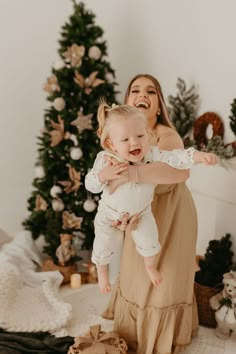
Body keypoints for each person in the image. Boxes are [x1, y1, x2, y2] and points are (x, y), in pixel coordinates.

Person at [102, 74, 214, 354]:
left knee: (162, 280)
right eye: (136, 90)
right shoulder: (123, 132)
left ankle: (161, 338)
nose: (143, 94)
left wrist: (130, 173)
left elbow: (179, 171)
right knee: (136, 275)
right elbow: (111, 182)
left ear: (158, 104)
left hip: (172, 213)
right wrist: (119, 214)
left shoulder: (166, 135)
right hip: (141, 210)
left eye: (151, 91)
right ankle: (132, 331)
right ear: (127, 102)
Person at [85, 100, 218, 295]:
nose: (135, 142)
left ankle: (150, 267)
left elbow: (176, 158)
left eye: (140, 135)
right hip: (109, 214)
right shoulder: (106, 160)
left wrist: (198, 156)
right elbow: (90, 184)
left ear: (147, 134)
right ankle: (102, 271)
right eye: (125, 140)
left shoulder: (152, 154)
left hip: (142, 213)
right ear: (110, 144)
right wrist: (104, 175)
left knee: (151, 242)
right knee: (104, 243)